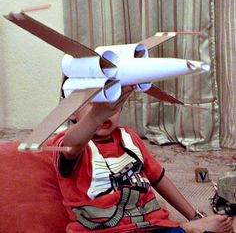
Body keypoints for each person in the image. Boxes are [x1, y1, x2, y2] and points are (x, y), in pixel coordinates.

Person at [53, 85, 233, 233]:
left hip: (152, 225)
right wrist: (96, 115)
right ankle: (188, 230)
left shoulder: (129, 137)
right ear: (71, 110)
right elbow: (71, 147)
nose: (105, 112)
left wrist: (194, 215)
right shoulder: (66, 143)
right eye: (94, 104)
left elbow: (158, 178)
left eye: (113, 104)